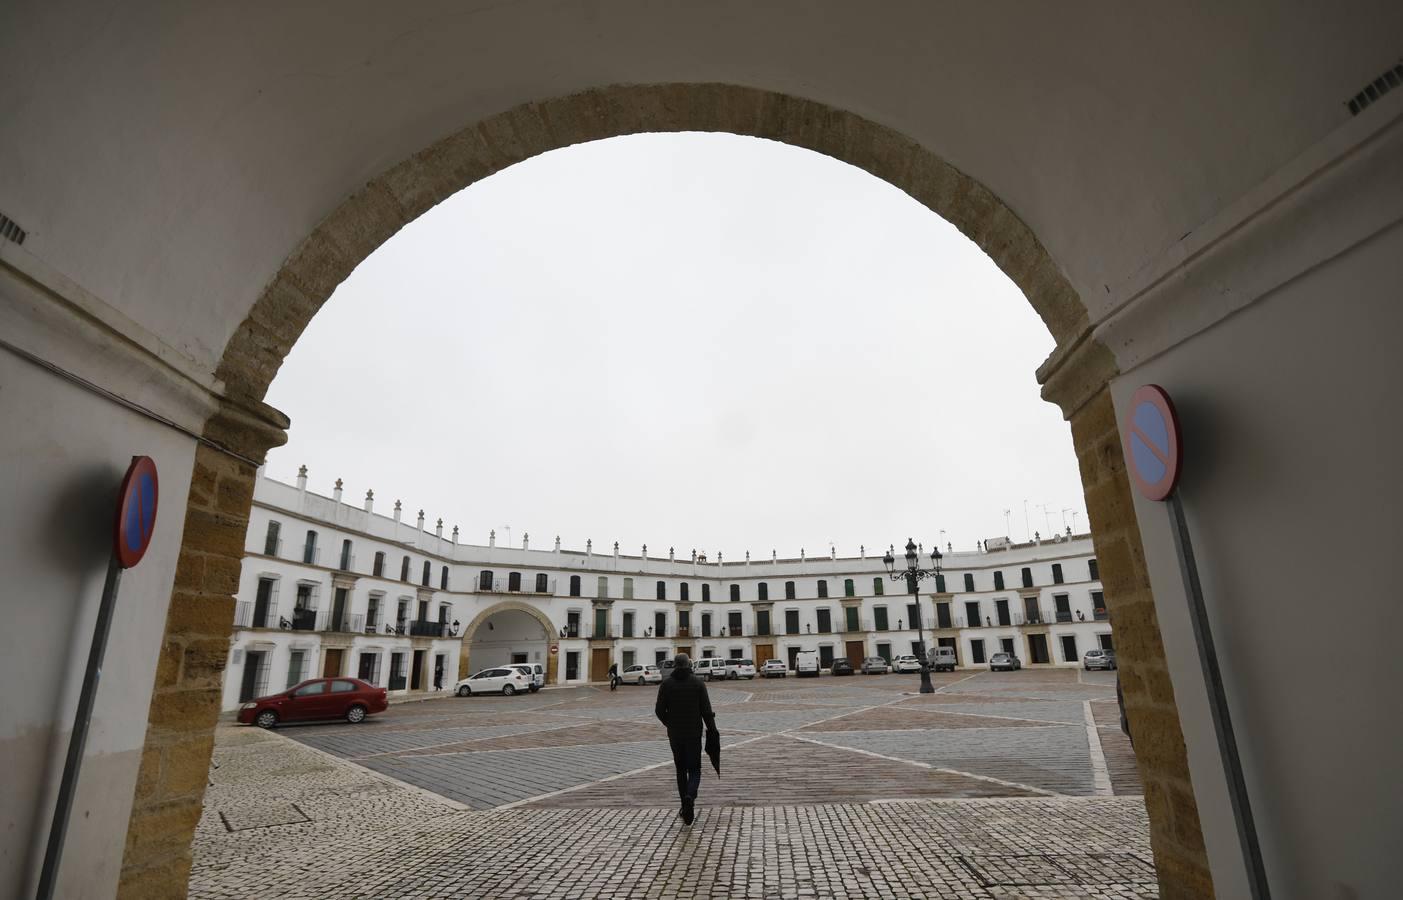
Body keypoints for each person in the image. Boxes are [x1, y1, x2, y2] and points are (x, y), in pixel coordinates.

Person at [654, 653, 715, 825]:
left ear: (674, 665)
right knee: (694, 769)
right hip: (694, 734)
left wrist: (670, 724)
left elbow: (659, 710)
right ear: (688, 664)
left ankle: (684, 805)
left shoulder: (667, 684)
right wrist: (712, 729)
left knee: (680, 770)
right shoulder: (697, 683)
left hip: (675, 735)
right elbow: (706, 710)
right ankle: (690, 797)